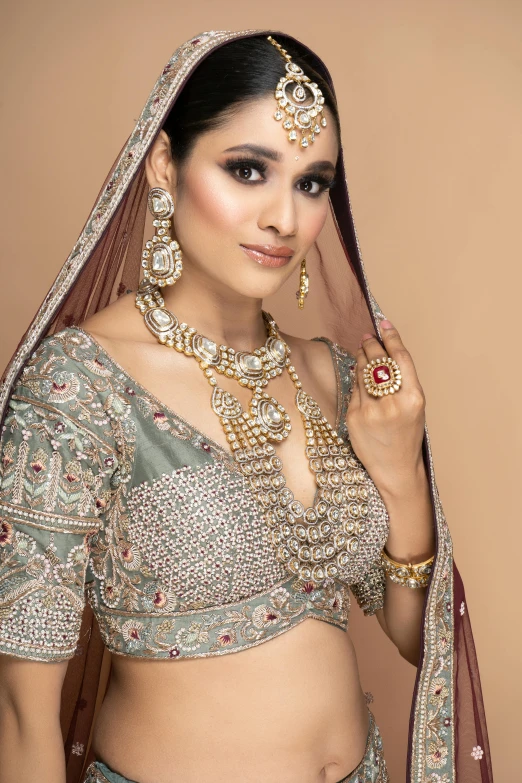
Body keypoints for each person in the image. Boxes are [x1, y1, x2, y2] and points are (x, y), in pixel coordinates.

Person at [0, 30, 492, 783]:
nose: (284, 219)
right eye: (248, 169)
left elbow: (415, 636)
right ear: (166, 164)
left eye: (312, 182)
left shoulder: (332, 374)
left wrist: (398, 473)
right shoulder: (80, 387)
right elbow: (22, 709)